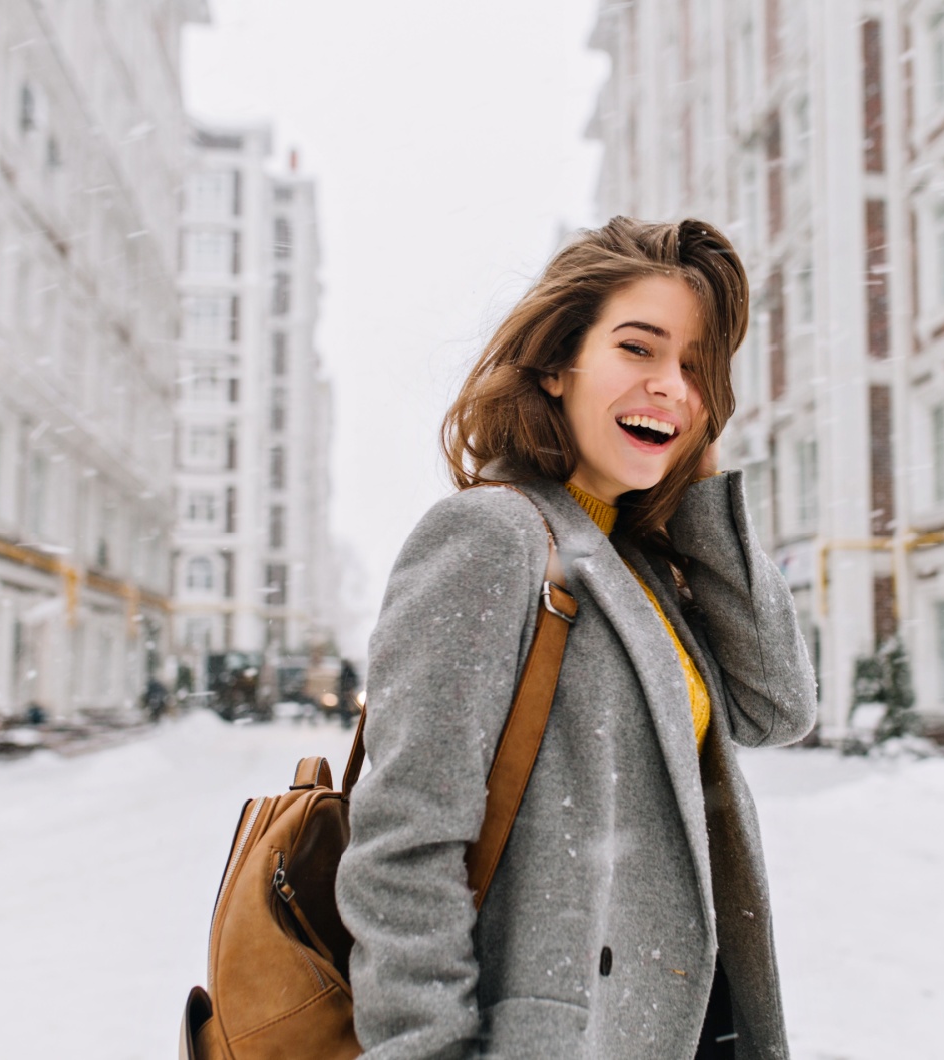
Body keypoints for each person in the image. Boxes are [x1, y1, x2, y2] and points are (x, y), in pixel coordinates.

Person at [336, 217, 817, 1059]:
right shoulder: (495, 538)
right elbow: (405, 851)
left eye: (696, 369)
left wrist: (695, 486)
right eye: (640, 349)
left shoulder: (643, 568)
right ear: (558, 364)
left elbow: (778, 705)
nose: (672, 385)